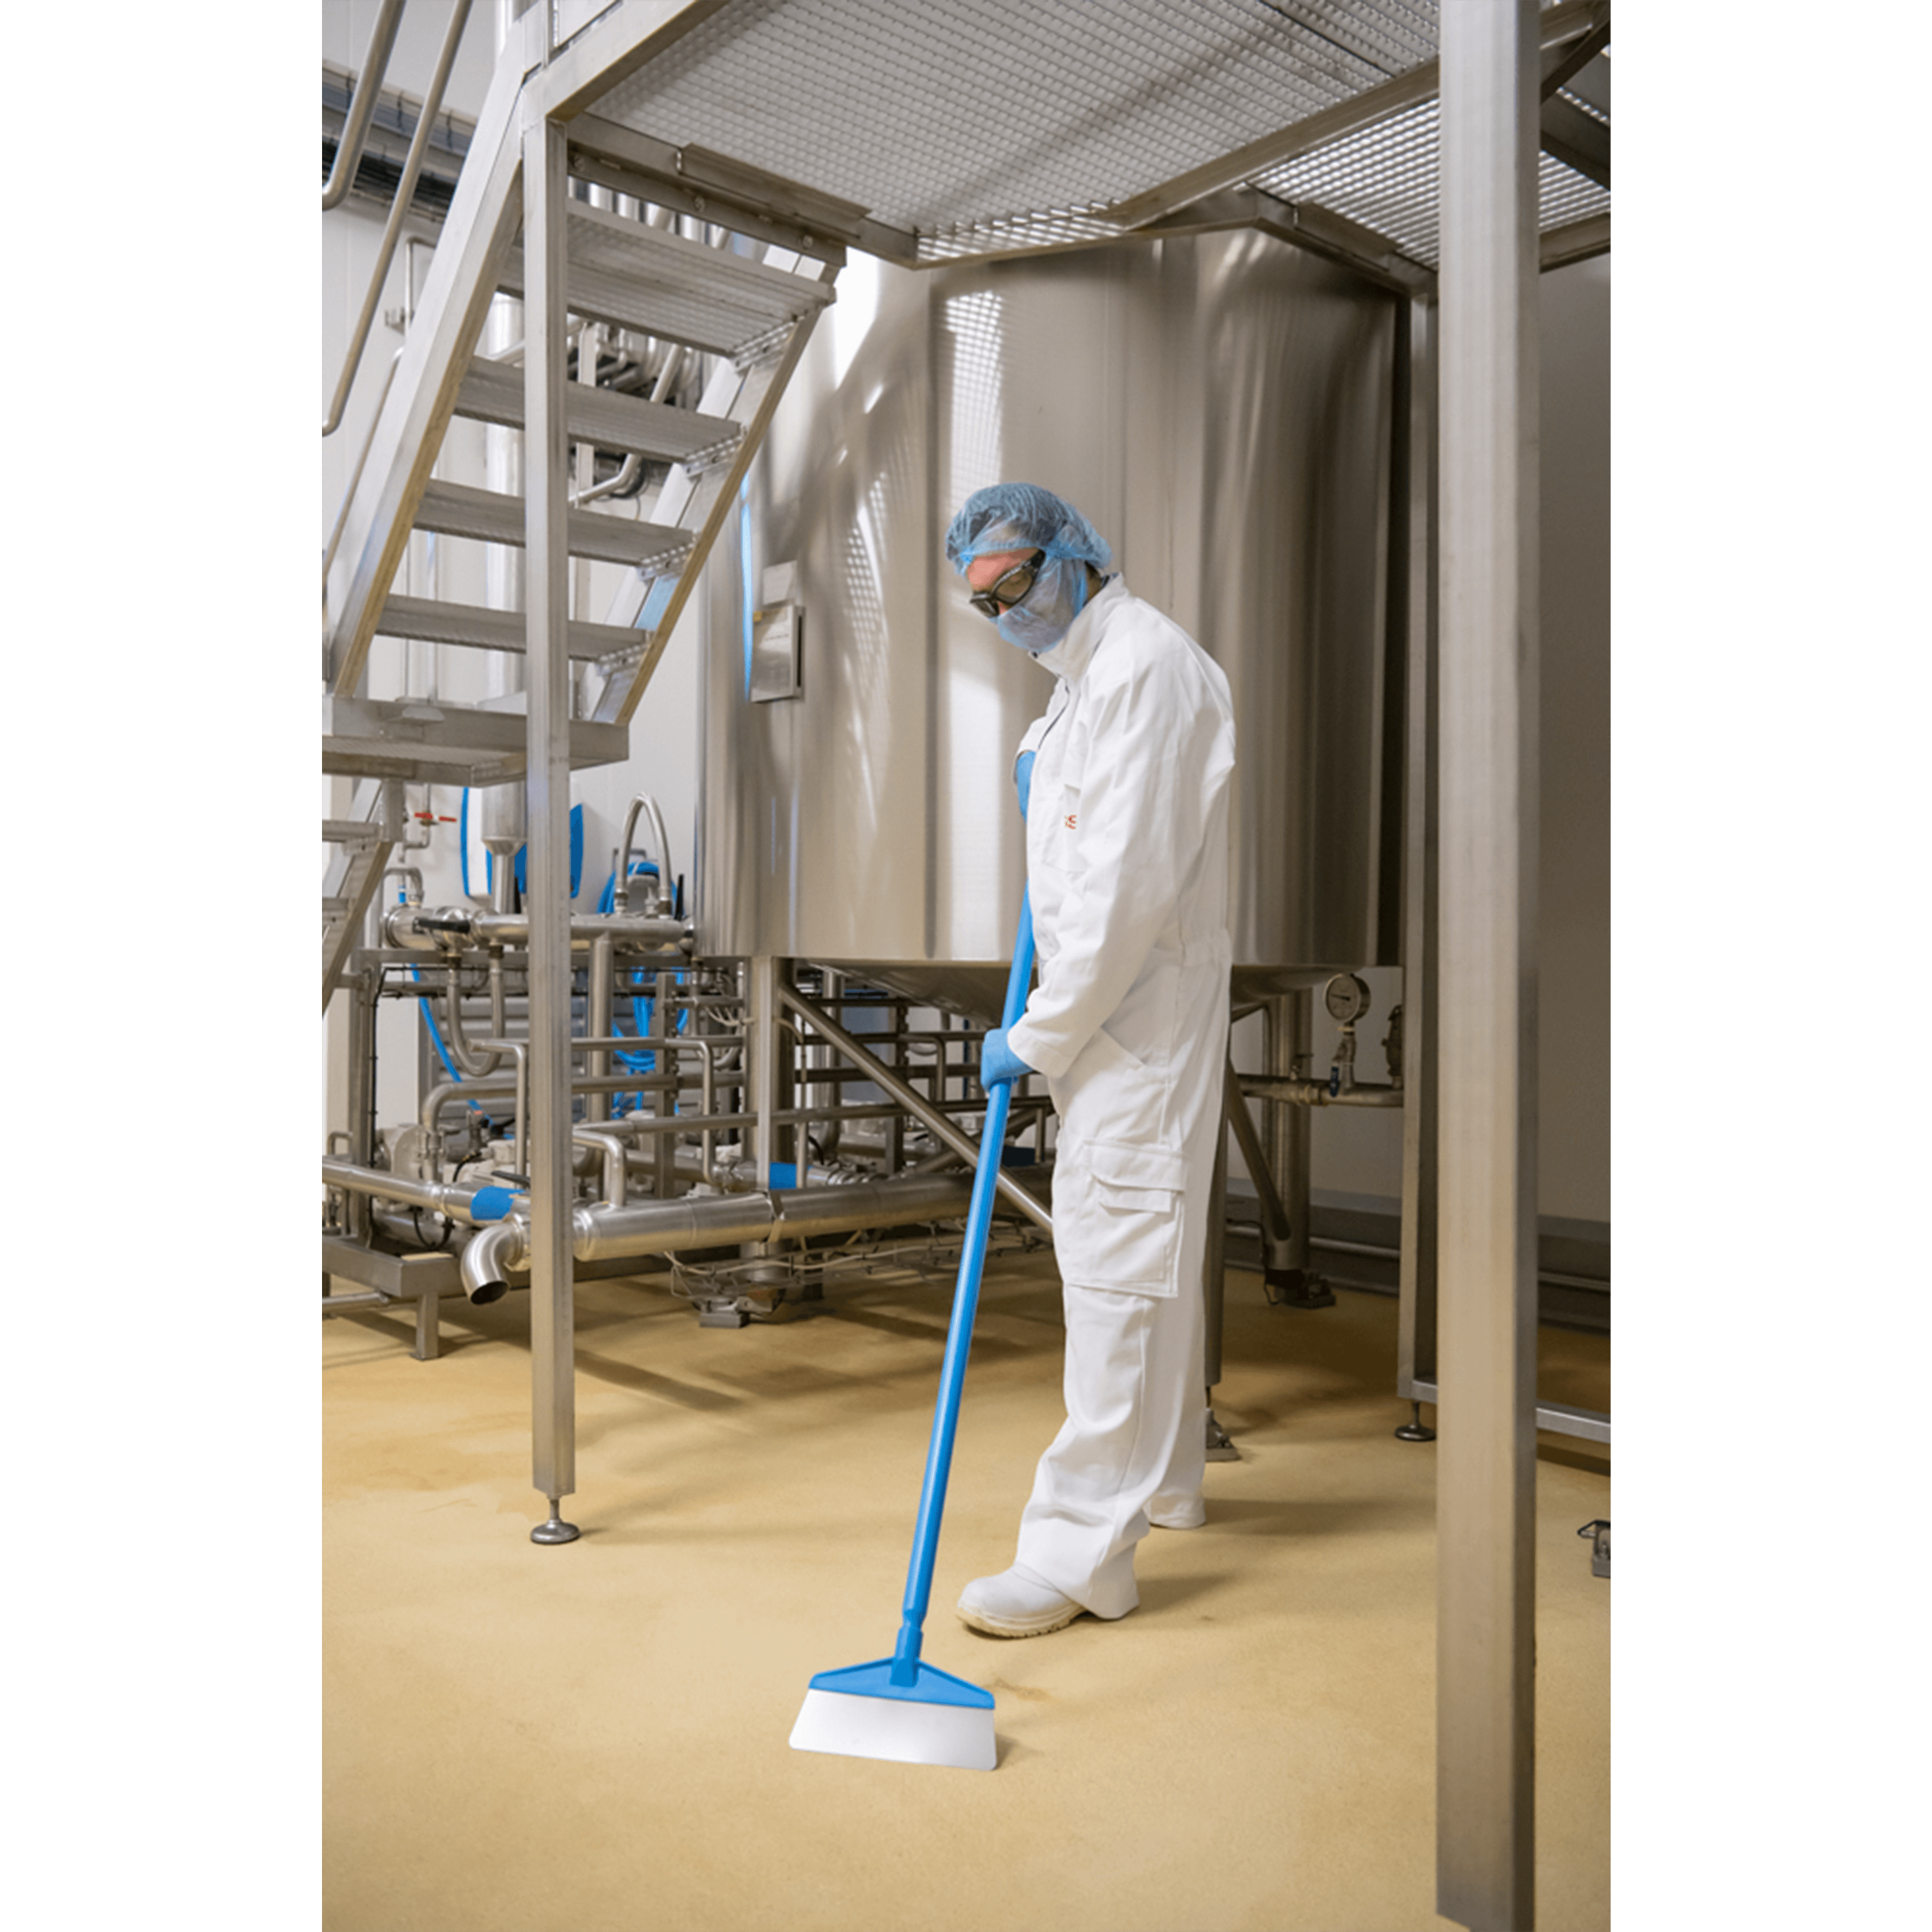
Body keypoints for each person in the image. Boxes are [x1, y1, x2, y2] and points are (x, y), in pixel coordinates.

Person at [944, 482, 1236, 1638]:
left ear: (1078, 552)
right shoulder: (1079, 689)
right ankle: (1167, 1483)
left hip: (1134, 1015)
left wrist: (1036, 1035)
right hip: (1112, 1018)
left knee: (1117, 1268)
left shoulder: (1144, 670)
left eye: (1019, 579)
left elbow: (1121, 891)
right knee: (1149, 1250)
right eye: (985, 600)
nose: (1007, 607)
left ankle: (1078, 1561)